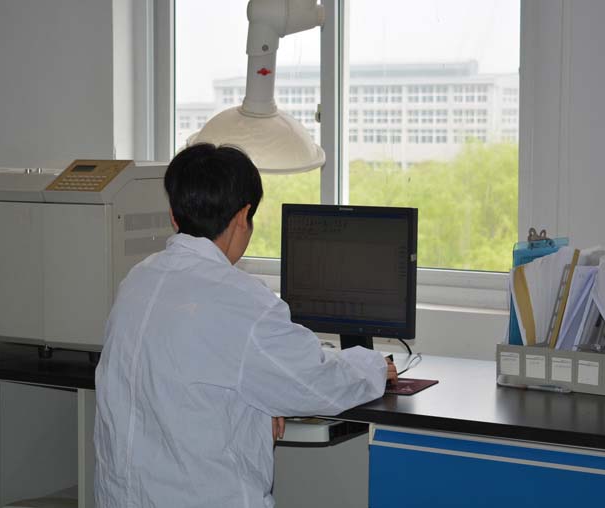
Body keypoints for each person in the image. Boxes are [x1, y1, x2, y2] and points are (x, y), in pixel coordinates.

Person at [94, 143, 397, 508]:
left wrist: (259, 407)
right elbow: (315, 383)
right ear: (243, 216)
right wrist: (374, 365)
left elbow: (182, 386)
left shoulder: (137, 281)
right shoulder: (243, 301)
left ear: (174, 216)